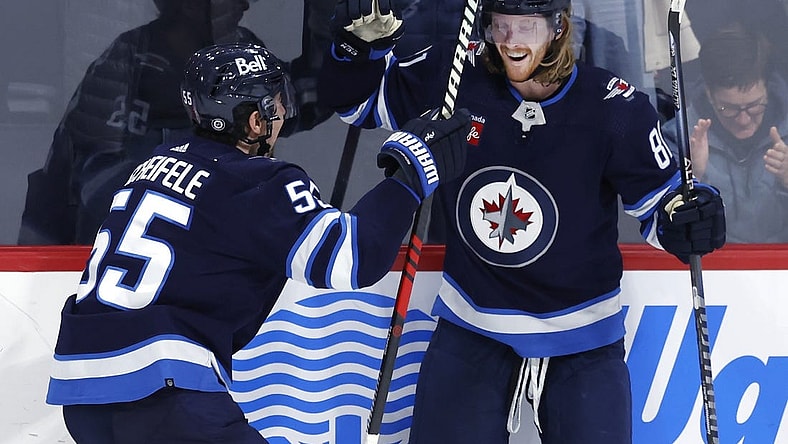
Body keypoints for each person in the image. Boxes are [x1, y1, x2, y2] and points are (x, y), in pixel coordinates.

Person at [317, 0, 726, 443]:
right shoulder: (454, 80)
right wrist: (356, 50)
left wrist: (690, 218)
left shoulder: (614, 107)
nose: (511, 41)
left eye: (526, 27)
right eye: (501, 26)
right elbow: (359, 108)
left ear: (557, 28)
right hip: (472, 324)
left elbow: (659, 209)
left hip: (584, 338)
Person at [45, 42, 471, 443]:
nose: (283, 113)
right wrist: (410, 174)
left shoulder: (153, 164)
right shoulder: (254, 182)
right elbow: (353, 256)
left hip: (82, 393)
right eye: (277, 102)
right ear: (254, 120)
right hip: (161, 391)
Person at [17, 0, 332, 246]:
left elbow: (303, 104)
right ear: (192, 4)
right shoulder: (127, 58)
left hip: (224, 248)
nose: (245, 5)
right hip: (134, 247)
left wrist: (342, 42)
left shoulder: (241, 48)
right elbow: (85, 178)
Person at [662, 22, 788, 243]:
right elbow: (663, 230)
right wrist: (690, 177)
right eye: (728, 108)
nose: (743, 119)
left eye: (754, 105)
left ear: (768, 88)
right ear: (709, 94)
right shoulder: (676, 139)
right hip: (711, 268)